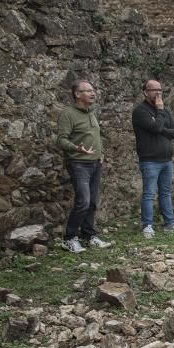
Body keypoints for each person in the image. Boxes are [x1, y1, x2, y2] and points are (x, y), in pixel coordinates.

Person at [56, 79, 112, 252]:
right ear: (77, 94)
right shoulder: (68, 114)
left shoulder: (91, 113)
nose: (92, 93)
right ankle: (70, 238)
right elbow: (61, 139)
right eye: (87, 90)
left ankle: (89, 236)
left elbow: (96, 137)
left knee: (92, 202)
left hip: (95, 163)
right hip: (78, 163)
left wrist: (100, 154)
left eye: (93, 89)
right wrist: (76, 148)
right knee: (83, 201)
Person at [133, 79, 174, 239]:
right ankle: (147, 225)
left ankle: (169, 222)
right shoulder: (140, 111)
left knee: (165, 192)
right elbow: (155, 128)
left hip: (166, 159)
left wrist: (160, 126)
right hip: (150, 160)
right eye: (154, 90)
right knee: (149, 193)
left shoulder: (165, 111)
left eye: (160, 90)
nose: (158, 93)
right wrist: (160, 114)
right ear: (145, 92)